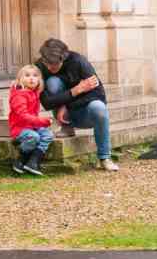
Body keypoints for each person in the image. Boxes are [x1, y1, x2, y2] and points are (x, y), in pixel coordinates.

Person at [36, 38, 117, 172]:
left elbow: (100, 95)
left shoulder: (79, 62)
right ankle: (66, 128)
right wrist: (75, 91)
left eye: (55, 65)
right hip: (64, 115)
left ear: (63, 57)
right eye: (47, 64)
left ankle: (105, 157)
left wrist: (67, 105)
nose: (50, 68)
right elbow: (47, 102)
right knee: (52, 82)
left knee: (99, 108)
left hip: (84, 112)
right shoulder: (40, 66)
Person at [7, 64, 54, 176]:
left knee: (48, 135)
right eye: (27, 75)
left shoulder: (34, 93)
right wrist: (43, 122)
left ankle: (33, 161)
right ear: (20, 79)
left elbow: (33, 115)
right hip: (20, 128)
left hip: (32, 126)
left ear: (39, 80)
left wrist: (40, 124)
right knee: (34, 137)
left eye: (35, 75)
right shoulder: (19, 95)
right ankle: (21, 158)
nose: (32, 78)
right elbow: (23, 115)